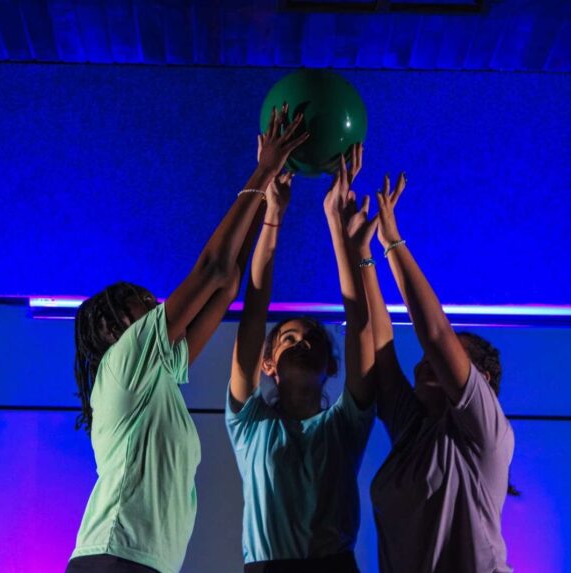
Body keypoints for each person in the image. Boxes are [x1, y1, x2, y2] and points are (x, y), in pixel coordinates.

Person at [65, 108, 309, 573]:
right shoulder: (124, 358)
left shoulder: (152, 378)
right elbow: (212, 269)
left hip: (139, 562)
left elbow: (228, 283)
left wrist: (268, 206)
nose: (156, 304)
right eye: (142, 303)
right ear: (116, 329)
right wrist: (263, 169)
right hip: (114, 558)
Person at [348, 173, 514, 572]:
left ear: (482, 380)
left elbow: (436, 334)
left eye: (452, 357)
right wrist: (362, 254)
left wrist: (392, 242)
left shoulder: (487, 434)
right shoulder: (415, 430)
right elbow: (382, 348)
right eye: (429, 357)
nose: (429, 360)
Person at [226, 143, 376, 573]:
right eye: (288, 338)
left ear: (331, 365)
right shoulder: (250, 424)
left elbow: (359, 323)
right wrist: (272, 215)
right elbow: (254, 314)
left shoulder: (345, 424)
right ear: (268, 364)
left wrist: (336, 221)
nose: (300, 342)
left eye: (311, 339)